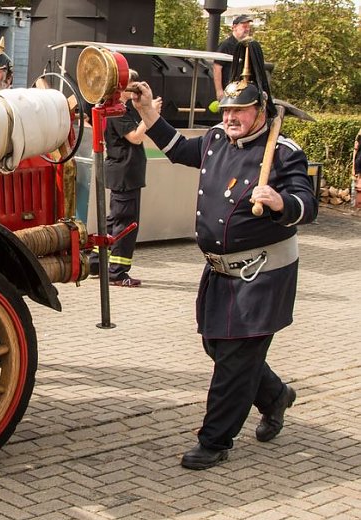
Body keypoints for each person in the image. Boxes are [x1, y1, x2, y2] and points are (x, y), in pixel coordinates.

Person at [130, 40, 317, 470]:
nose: (231, 119)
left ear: (260, 111)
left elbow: (307, 206)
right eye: (227, 112)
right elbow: (177, 149)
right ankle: (276, 396)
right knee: (220, 347)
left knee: (233, 361)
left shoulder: (284, 152)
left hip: (262, 276)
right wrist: (147, 113)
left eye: (240, 112)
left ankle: (215, 441)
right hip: (219, 272)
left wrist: (279, 203)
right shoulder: (215, 140)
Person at [88, 70, 162, 287]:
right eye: (132, 81)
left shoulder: (122, 109)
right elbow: (136, 138)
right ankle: (118, 272)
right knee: (125, 223)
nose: (135, 85)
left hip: (125, 173)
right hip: (125, 174)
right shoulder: (118, 112)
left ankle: (95, 263)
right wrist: (151, 113)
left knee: (114, 220)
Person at [213, 14, 253, 101]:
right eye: (244, 26)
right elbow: (217, 68)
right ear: (234, 27)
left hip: (241, 89)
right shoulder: (226, 45)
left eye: (248, 27)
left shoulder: (246, 45)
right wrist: (219, 90)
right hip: (228, 89)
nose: (247, 29)